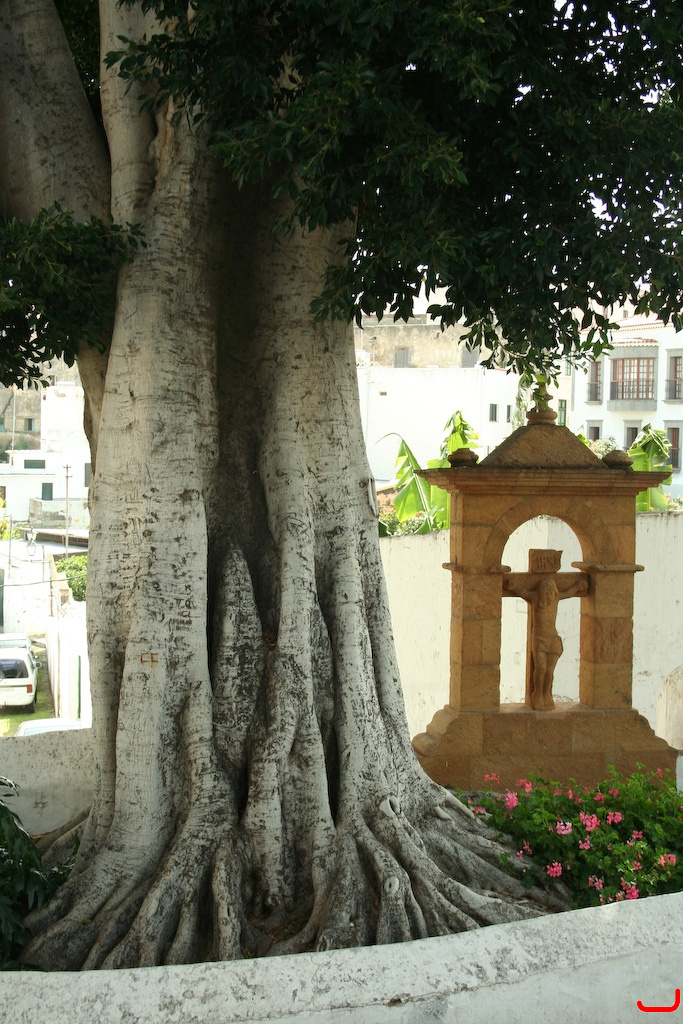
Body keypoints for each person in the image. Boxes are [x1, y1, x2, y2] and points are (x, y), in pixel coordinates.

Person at [503, 574, 588, 710]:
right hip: (539, 640)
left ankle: (546, 693)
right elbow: (523, 592)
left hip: (553, 639)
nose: (549, 596)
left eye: (552, 593)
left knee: (549, 671)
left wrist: (578, 586)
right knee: (541, 668)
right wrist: (513, 587)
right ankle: (537, 693)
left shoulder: (556, 599)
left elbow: (568, 593)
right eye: (546, 593)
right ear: (541, 592)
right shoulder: (535, 598)